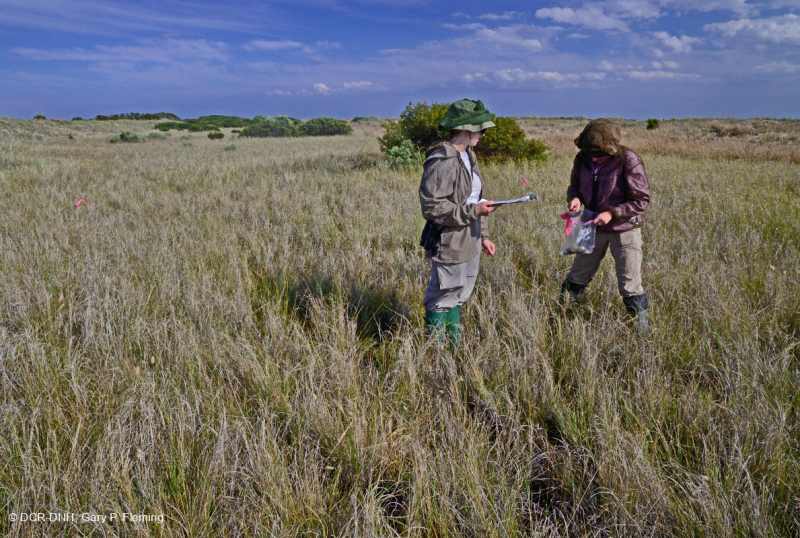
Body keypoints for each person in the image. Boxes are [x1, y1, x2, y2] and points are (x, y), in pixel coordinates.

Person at [418, 98, 497, 349]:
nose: (483, 134)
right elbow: (432, 207)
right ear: (465, 128)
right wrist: (473, 211)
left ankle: (454, 349)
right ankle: (436, 355)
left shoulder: (468, 156)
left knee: (460, 293)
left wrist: (483, 235)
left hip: (471, 237)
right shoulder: (443, 159)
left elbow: (475, 198)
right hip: (450, 239)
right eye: (480, 129)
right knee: (442, 296)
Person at [560, 118, 651, 333]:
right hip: (589, 222)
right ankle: (564, 321)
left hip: (624, 229)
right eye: (590, 152)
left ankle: (641, 335)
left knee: (630, 285)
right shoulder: (582, 157)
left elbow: (642, 200)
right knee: (576, 277)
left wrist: (612, 213)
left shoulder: (629, 160)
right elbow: (574, 186)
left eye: (599, 153)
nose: (594, 157)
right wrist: (575, 199)